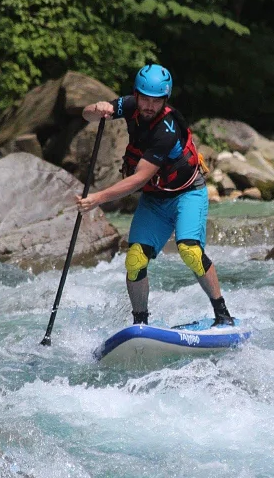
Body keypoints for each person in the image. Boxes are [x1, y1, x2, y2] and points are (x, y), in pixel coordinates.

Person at [78, 64, 235, 327]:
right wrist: (99, 108)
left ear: (165, 100)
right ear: (136, 96)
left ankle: (222, 314)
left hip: (188, 193)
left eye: (156, 101)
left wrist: (97, 198)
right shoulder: (130, 106)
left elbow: (138, 179)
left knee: (190, 251)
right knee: (135, 259)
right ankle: (141, 324)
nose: (149, 106)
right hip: (155, 199)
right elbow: (87, 116)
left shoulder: (167, 129)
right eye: (145, 99)